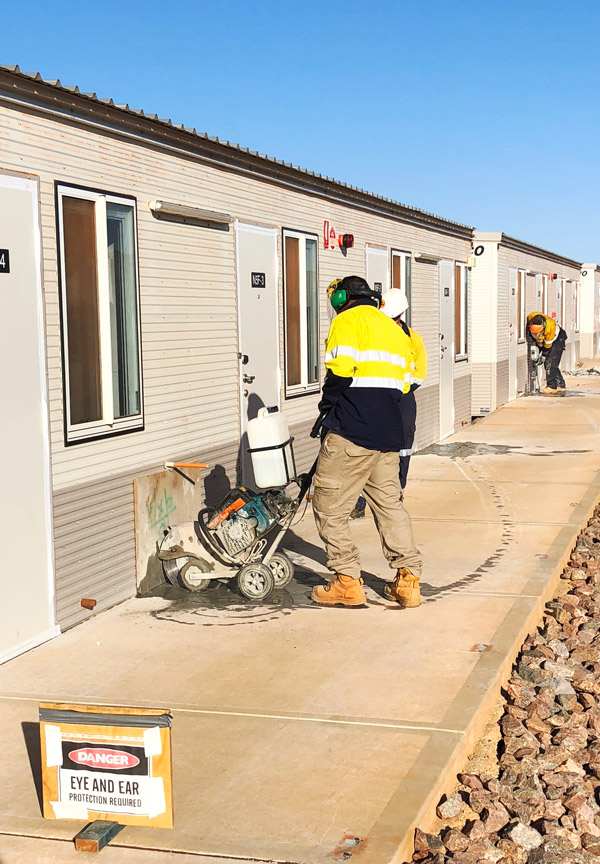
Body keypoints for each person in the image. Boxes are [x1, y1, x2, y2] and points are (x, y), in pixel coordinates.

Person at [309, 275, 423, 608]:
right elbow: (405, 385)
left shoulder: (347, 321)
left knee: (329, 506)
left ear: (341, 298)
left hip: (352, 431)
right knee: (389, 506)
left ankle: (346, 581)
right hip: (388, 434)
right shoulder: (395, 329)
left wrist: (328, 403)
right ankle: (408, 582)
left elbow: (341, 371)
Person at [350, 288, 427, 518]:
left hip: (402, 399)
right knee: (367, 448)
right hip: (374, 399)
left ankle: (395, 493)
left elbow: (419, 373)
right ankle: (360, 500)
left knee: (402, 449)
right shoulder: (369, 336)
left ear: (401, 315)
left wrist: (400, 389)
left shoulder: (412, 338)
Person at [526, 312, 567, 395]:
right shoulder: (530, 317)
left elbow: (547, 346)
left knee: (550, 362)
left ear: (543, 326)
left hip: (557, 340)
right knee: (552, 364)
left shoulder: (550, 327)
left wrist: (543, 356)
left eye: (539, 332)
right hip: (545, 340)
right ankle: (560, 384)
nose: (537, 334)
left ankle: (552, 386)